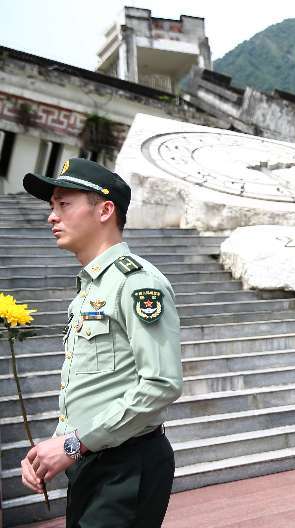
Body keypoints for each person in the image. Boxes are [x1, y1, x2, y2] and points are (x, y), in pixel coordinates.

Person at [19, 158, 183, 527]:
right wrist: (55, 447)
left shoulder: (137, 283)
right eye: (52, 207)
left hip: (125, 466)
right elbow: (97, 386)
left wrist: (72, 444)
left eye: (64, 204)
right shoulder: (92, 287)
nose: (52, 217)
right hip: (93, 460)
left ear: (105, 210)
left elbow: (161, 384)